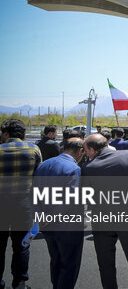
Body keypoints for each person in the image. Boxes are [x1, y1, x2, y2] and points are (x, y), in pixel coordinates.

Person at [81, 133, 128, 289]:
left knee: (106, 263)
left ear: (92, 150)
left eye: (86, 150)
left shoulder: (88, 168)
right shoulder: (127, 155)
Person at [34, 137, 85, 289]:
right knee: (69, 265)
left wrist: (40, 216)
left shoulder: (44, 164)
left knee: (55, 261)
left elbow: (34, 193)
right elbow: (70, 199)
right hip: (67, 226)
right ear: (80, 151)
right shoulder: (74, 168)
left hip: (46, 224)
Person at [0, 119, 41, 289]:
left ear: (6, 133)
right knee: (22, 245)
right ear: (23, 134)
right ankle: (20, 283)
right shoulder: (33, 149)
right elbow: (38, 179)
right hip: (23, 205)